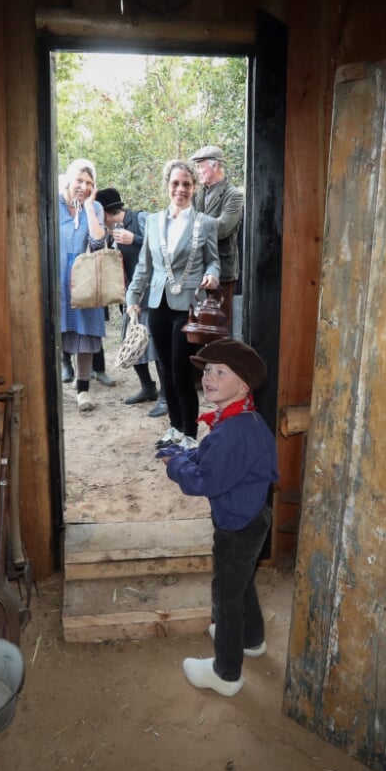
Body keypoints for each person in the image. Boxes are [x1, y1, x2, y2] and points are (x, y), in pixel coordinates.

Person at [157, 339, 277, 697]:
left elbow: (205, 480)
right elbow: (211, 460)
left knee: (226, 595)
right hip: (250, 517)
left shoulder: (236, 432)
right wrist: (185, 454)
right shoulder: (238, 419)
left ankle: (226, 674)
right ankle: (251, 639)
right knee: (240, 583)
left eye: (221, 372)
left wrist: (175, 464)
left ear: (243, 386)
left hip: (237, 527)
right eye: (208, 370)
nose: (209, 377)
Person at [126, 159, 221, 451]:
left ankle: (190, 434)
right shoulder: (153, 221)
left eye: (187, 184)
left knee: (181, 371)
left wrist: (212, 275)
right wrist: (133, 298)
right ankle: (175, 428)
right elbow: (144, 265)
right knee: (165, 371)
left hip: (189, 307)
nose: (180, 189)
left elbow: (214, 261)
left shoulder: (205, 223)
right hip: (158, 304)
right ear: (168, 186)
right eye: (175, 184)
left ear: (194, 188)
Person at [95, 187, 162, 407]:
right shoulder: (109, 232)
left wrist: (135, 239)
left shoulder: (142, 219)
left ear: (106, 212)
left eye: (98, 213)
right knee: (130, 341)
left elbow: (163, 248)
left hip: (153, 292)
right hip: (130, 296)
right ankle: (148, 387)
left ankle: (167, 395)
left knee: (159, 345)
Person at [58, 158, 108, 412]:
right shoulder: (52, 203)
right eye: (79, 180)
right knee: (54, 334)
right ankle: (51, 390)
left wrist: (88, 207)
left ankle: (83, 390)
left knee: (85, 335)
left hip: (83, 278)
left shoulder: (96, 207)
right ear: (68, 179)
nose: (84, 186)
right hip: (55, 277)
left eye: (89, 182)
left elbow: (98, 244)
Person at [190, 145, 244, 332]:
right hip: (196, 269)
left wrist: (195, 225)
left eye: (200, 166)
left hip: (222, 272)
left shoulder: (234, 195)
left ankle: (220, 362)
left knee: (219, 329)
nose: (197, 171)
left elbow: (222, 228)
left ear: (214, 166)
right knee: (197, 326)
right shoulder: (197, 194)